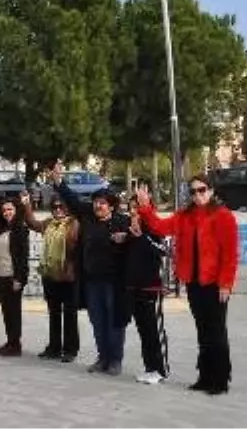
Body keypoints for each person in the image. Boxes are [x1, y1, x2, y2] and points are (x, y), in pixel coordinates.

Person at [136, 178, 238, 395]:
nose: (197, 195)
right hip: (193, 281)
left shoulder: (223, 216)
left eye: (202, 190)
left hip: (214, 283)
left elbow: (230, 254)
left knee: (216, 332)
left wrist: (226, 284)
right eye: (193, 191)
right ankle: (205, 376)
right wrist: (145, 206)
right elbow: (159, 227)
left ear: (211, 190)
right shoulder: (185, 215)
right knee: (203, 332)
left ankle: (219, 380)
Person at [52, 164, 130, 375]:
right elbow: (73, 200)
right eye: (96, 202)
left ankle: (115, 360)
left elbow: (139, 239)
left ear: (111, 206)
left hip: (114, 282)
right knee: (97, 321)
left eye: (102, 203)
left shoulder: (123, 222)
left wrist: (126, 238)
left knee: (115, 321)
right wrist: (59, 182)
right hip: (91, 280)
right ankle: (102, 357)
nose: (98, 206)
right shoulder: (87, 216)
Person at [20, 190, 80, 363]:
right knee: (53, 313)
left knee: (70, 314)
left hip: (68, 276)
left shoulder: (74, 224)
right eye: (55, 206)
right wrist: (26, 204)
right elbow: (31, 223)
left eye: (62, 206)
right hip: (50, 275)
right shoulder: (49, 223)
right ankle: (54, 347)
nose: (58, 209)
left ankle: (70, 349)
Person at [123, 194, 170, 385]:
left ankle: (160, 369)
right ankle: (150, 367)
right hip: (134, 287)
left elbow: (161, 250)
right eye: (131, 207)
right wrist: (124, 238)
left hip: (150, 287)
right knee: (143, 330)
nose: (133, 211)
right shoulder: (132, 228)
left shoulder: (153, 227)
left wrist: (141, 237)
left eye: (137, 207)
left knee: (153, 330)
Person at [0, 197, 30, 357]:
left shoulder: (20, 229)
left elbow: (23, 257)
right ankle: (10, 341)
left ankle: (16, 344)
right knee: (6, 311)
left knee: (14, 311)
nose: (7, 213)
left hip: (13, 276)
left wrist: (19, 279)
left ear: (16, 211)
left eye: (10, 209)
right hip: (2, 274)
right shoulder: (1, 229)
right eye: (4, 210)